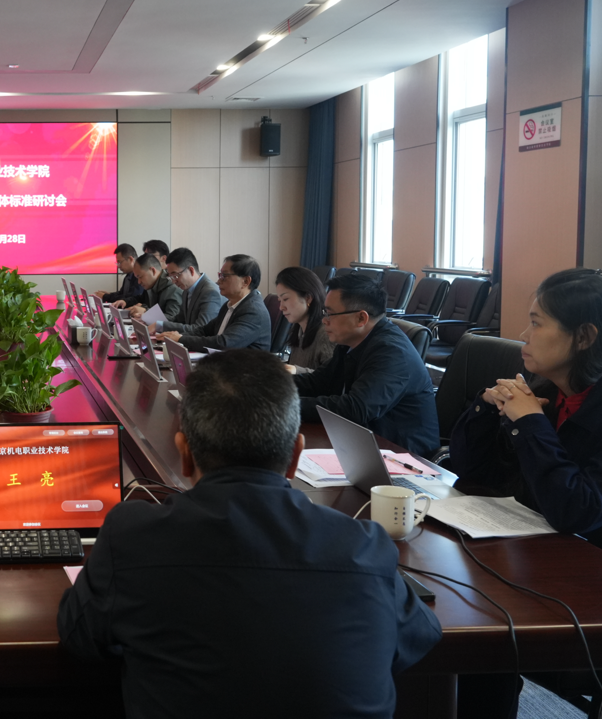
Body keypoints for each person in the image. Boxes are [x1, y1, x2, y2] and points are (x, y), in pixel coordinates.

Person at [57, 349, 441, 717]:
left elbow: (79, 636)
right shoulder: (365, 547)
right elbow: (418, 637)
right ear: (295, 455)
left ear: (184, 452)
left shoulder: (132, 536)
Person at [450, 268, 602, 573]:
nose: (523, 335)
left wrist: (530, 422)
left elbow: (575, 512)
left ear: (583, 337)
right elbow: (474, 473)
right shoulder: (547, 391)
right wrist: (486, 408)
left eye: (536, 323)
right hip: (536, 549)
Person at [292, 274, 439, 456]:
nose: (324, 320)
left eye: (330, 314)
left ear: (361, 318)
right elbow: (318, 383)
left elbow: (356, 409)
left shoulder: (392, 352)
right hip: (363, 444)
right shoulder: (351, 342)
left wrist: (285, 405)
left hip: (403, 457)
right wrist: (270, 385)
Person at [154, 254, 269, 352]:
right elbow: (204, 330)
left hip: (244, 369)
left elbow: (224, 343)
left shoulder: (253, 311)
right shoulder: (230, 305)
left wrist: (180, 339)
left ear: (246, 281)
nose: (218, 281)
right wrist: (174, 337)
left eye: (224, 276)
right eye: (220, 275)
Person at [275, 266, 335, 372]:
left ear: (308, 298)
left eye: (285, 299)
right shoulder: (298, 329)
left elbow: (333, 378)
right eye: (280, 301)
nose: (281, 307)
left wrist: (295, 371)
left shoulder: (326, 334)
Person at [154, 247, 223, 330]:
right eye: (171, 277)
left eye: (175, 276)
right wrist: (153, 321)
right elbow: (179, 320)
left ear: (191, 270)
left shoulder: (210, 292)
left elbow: (201, 329)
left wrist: (161, 325)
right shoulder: (186, 290)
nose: (173, 281)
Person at [123, 253, 182, 321]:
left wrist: (146, 311)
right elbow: (140, 299)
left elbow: (172, 319)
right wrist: (125, 301)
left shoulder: (173, 289)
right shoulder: (151, 285)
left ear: (153, 271)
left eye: (140, 277)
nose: (139, 282)